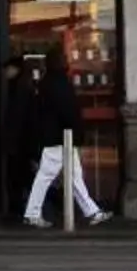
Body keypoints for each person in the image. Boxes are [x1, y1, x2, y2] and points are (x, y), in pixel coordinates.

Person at [15, 49, 108, 228]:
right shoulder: (60, 84)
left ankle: (92, 211)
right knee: (51, 175)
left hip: (55, 137)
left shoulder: (46, 83)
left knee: (71, 176)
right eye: (64, 59)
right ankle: (32, 213)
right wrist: (78, 131)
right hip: (60, 137)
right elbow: (69, 112)